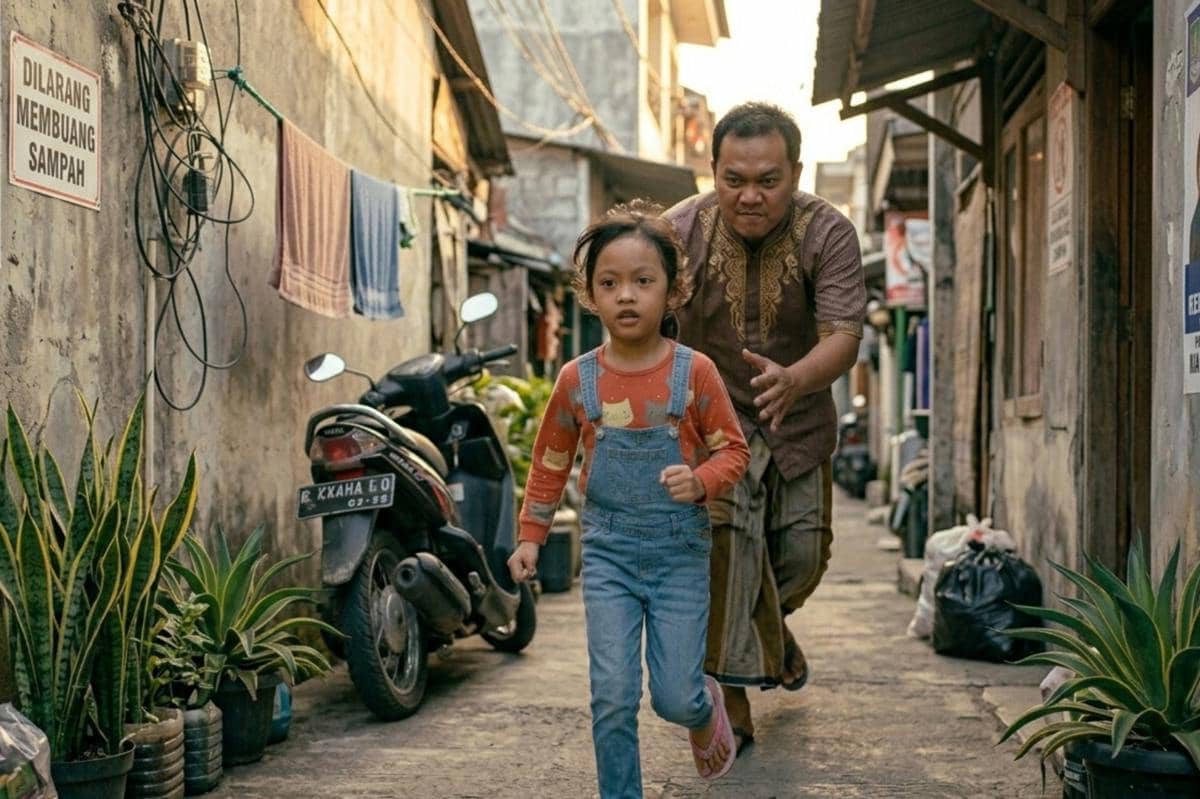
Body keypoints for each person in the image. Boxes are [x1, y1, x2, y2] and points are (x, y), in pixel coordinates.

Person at [507, 202, 751, 798]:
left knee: (674, 698)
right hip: (609, 554)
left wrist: (702, 480)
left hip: (679, 555)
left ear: (671, 291)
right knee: (612, 697)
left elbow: (734, 452)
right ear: (591, 294)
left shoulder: (695, 373)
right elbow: (550, 463)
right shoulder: (577, 380)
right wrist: (530, 538)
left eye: (643, 281)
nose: (627, 296)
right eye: (610, 282)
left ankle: (702, 709)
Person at [663, 102, 867, 753]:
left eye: (768, 181)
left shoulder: (828, 232)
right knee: (727, 555)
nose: (749, 195)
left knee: (804, 556)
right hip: (713, 427)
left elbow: (844, 336)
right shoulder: (676, 234)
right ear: (713, 170)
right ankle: (731, 697)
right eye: (734, 179)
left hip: (799, 418)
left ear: (795, 173)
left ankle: (770, 635)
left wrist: (795, 379)